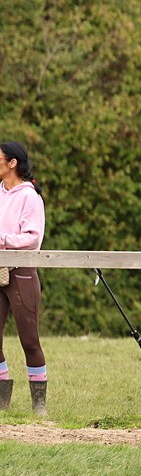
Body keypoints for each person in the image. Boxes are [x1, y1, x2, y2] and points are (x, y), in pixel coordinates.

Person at [0, 142, 47, 415]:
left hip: (22, 273)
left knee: (29, 340)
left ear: (13, 162)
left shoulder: (30, 198)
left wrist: (2, 241)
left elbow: (32, 239)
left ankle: (38, 404)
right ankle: (3, 400)